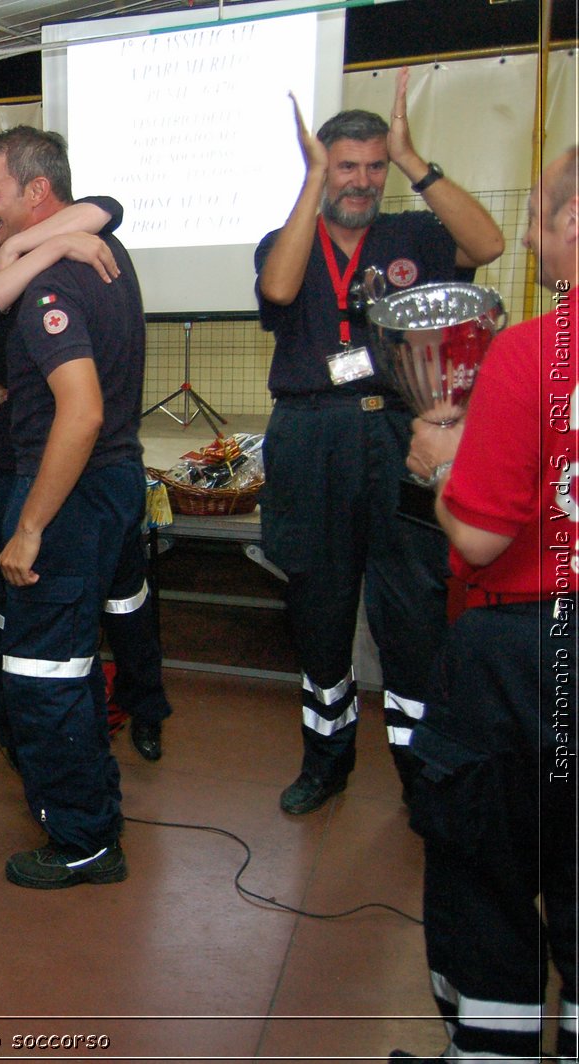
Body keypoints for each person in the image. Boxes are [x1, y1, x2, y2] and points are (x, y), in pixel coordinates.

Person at [254, 72, 505, 815]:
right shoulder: (286, 237)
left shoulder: (416, 235)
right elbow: (277, 289)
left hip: (402, 433)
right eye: (345, 167)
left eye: (373, 166)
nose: (361, 182)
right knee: (319, 609)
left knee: (414, 614)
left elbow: (486, 243)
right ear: (322, 170)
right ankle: (325, 763)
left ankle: (421, 774)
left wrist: (414, 160)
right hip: (310, 434)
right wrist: (308, 186)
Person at [393, 147, 576, 1064]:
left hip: (525, 649)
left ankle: (493, 1051)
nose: (534, 235)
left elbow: (478, 537)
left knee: (488, 875)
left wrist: (440, 470)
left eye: (542, 214)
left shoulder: (536, 350)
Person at [0, 163, 175, 763]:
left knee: (124, 592)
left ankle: (145, 703)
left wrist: (40, 238)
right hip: (18, 458)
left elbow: (108, 204)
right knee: (20, 598)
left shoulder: (49, 237)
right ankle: (19, 716)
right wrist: (52, 243)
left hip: (95, 449)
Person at [0, 126, 146, 889]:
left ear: (37, 193)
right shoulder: (99, 259)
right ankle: (79, 809)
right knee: (53, 660)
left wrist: (32, 525)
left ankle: (85, 840)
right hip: (104, 480)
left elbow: (78, 412)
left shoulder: (54, 285)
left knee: (48, 671)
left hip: (68, 492)